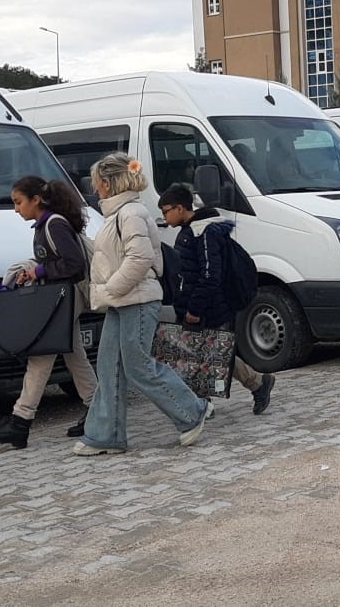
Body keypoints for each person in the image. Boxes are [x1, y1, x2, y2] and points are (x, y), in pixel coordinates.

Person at [73, 153, 215, 455]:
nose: (94, 187)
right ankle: (105, 434)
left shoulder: (130, 213)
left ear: (108, 182)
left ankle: (192, 411)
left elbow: (140, 259)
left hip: (136, 299)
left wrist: (110, 289)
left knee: (137, 366)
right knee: (109, 365)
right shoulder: (121, 213)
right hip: (124, 300)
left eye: (97, 180)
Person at [0, 176, 100, 449]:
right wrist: (35, 272)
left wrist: (40, 271)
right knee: (74, 355)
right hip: (62, 299)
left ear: (36, 200)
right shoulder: (48, 225)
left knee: (41, 356)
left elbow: (74, 264)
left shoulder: (54, 225)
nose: (16, 209)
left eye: (18, 202)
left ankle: (20, 421)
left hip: (63, 300)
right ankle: (97, 410)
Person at [156, 184, 277, 415]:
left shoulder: (204, 233)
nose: (164, 217)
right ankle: (252, 386)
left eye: (166, 211)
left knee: (209, 353)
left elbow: (210, 275)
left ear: (180, 208)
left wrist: (195, 308)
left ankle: (209, 402)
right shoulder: (192, 230)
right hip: (198, 304)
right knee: (204, 352)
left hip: (209, 307)